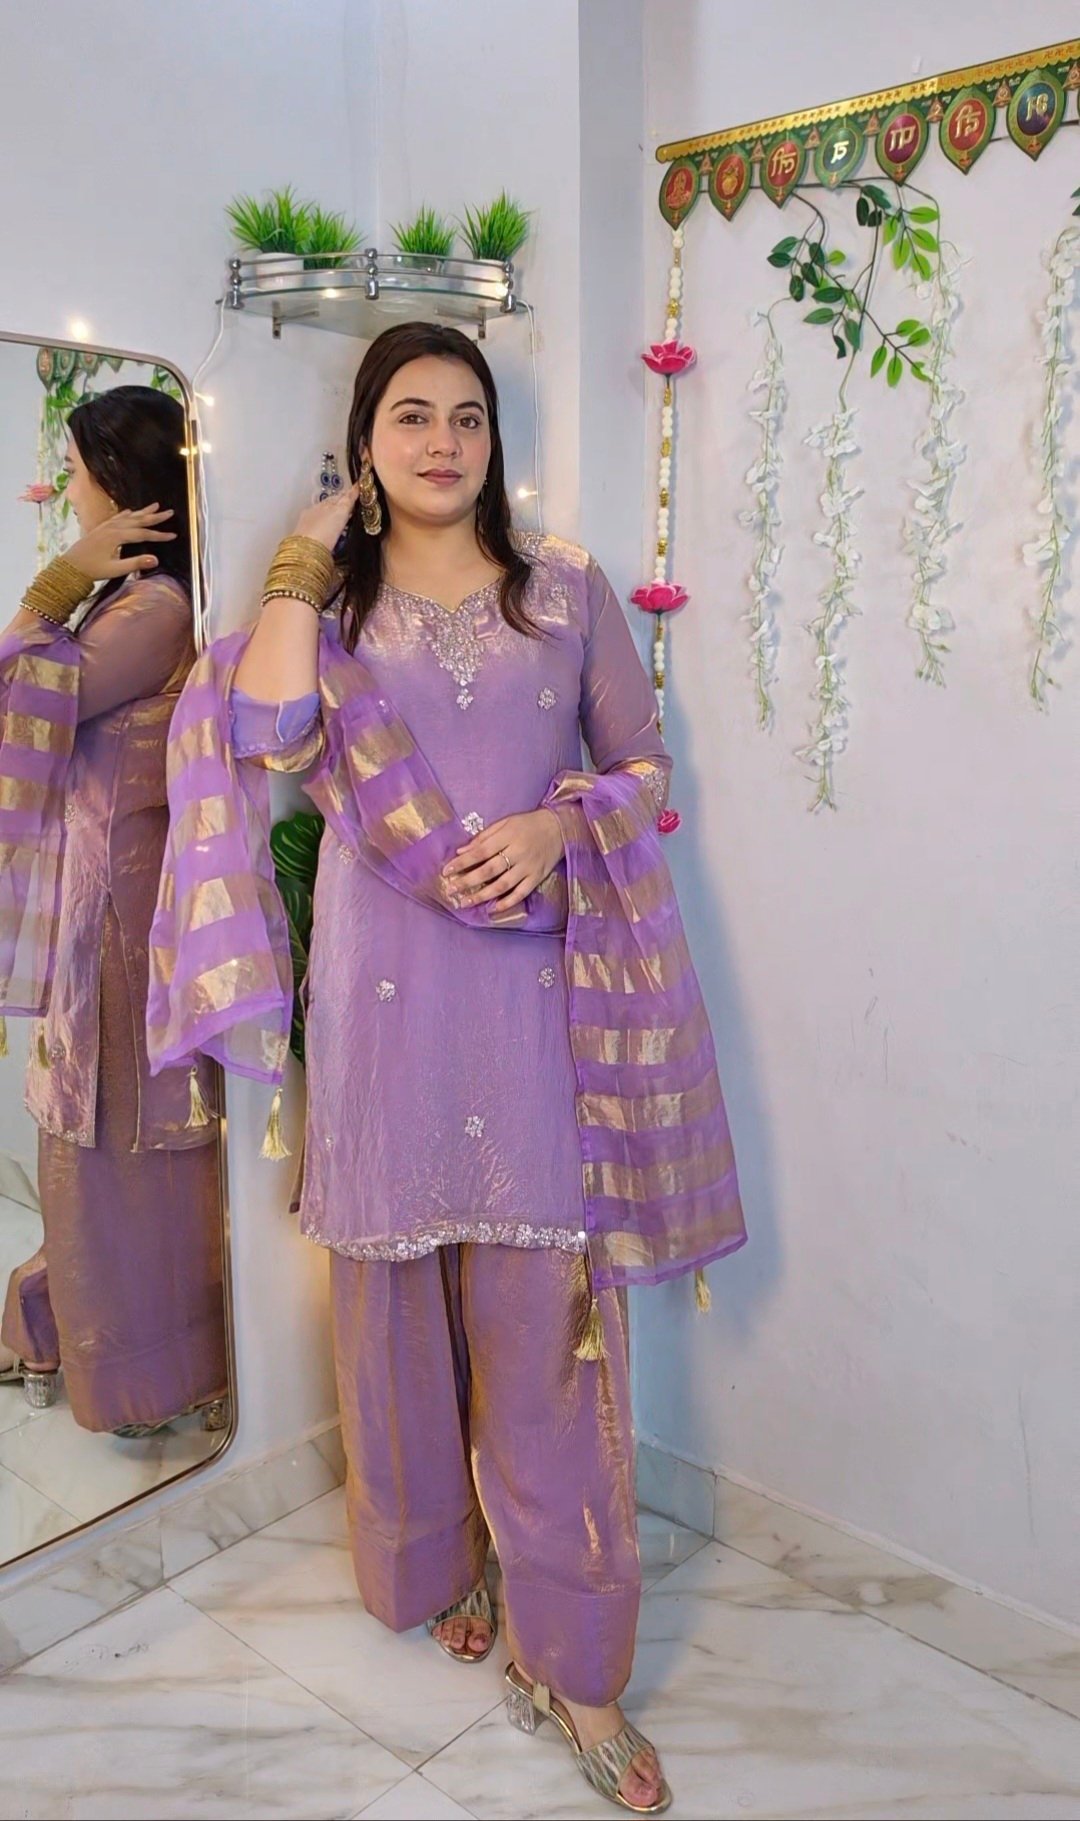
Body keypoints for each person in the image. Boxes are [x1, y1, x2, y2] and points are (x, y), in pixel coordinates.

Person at [149, 323, 746, 1814]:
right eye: (409, 416)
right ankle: (435, 1563)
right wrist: (303, 557)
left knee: (551, 1329)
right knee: (392, 1319)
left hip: (538, 992)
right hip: (386, 996)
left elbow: (644, 766)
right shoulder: (332, 612)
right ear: (365, 443)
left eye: (466, 416)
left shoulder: (564, 590)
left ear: (494, 439)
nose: (441, 442)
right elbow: (268, 732)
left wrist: (556, 827)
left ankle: (577, 1661)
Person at [0, 386, 226, 1438]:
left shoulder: (154, 611)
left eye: (80, 471)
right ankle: (81, 1336)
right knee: (107, 1145)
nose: (71, 487)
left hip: (124, 918)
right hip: (110, 904)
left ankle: (140, 1374)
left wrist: (56, 583)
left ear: (127, 489)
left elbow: (18, 700)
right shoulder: (136, 605)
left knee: (116, 1150)